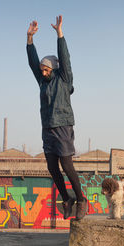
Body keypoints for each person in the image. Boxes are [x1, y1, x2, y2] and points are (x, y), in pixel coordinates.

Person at [26, 15, 87, 219]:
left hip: (63, 127)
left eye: (46, 69)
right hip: (48, 128)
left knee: (66, 165)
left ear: (54, 68)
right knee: (52, 167)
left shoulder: (63, 78)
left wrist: (59, 34)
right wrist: (29, 39)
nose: (42, 72)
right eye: (42, 70)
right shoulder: (42, 81)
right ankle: (66, 198)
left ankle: (81, 199)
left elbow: (65, 58)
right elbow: (32, 62)